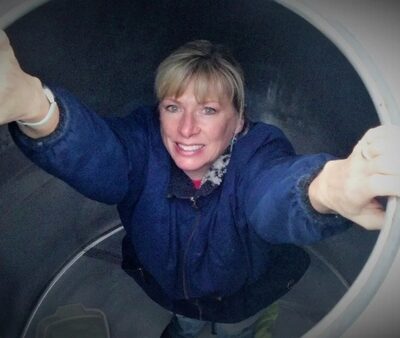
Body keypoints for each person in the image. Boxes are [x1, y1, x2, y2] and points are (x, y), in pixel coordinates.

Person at [1, 29, 399, 338]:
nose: (186, 128)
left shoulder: (256, 152)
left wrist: (328, 189)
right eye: (173, 107)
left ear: (238, 119)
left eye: (208, 109)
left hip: (242, 298)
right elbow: (101, 158)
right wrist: (35, 108)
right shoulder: (143, 143)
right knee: (186, 325)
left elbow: (272, 193)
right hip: (170, 291)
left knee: (236, 328)